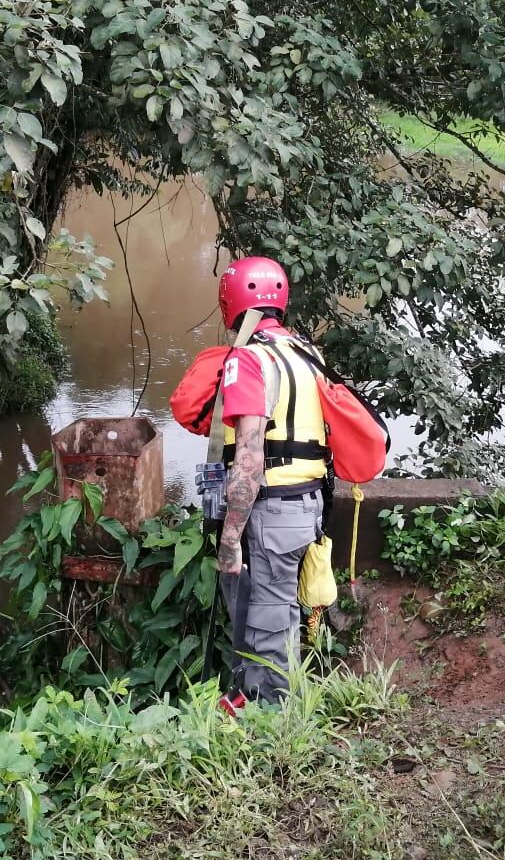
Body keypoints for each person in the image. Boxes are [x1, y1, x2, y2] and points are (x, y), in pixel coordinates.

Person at [213, 256, 328, 711]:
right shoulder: (307, 354)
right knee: (282, 613)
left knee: (266, 620)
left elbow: (249, 457)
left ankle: (273, 723)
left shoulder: (250, 359)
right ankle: (274, 704)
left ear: (232, 302)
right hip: (309, 507)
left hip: (272, 512)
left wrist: (230, 538)